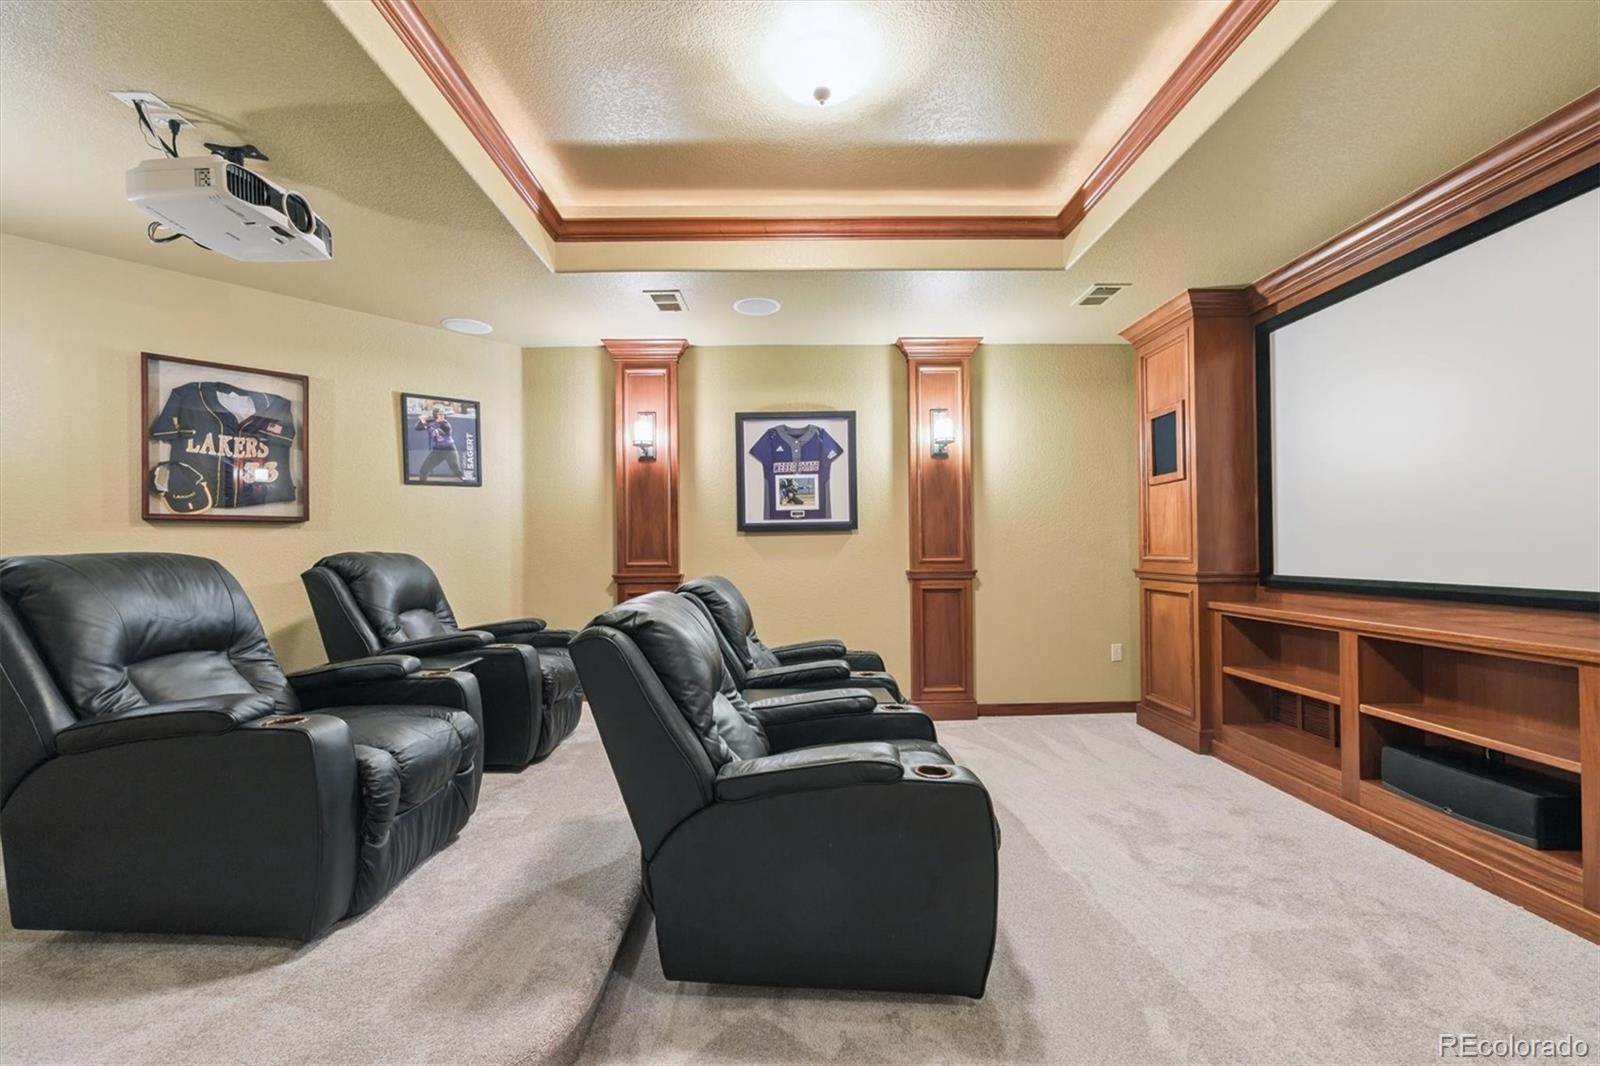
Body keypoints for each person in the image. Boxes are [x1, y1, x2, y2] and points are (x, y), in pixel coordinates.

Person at [415, 404, 467, 481]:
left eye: (443, 414)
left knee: (457, 470)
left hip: (449, 450)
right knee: (423, 470)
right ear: (435, 415)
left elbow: (437, 432)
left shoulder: (446, 425)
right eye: (440, 414)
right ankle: (422, 486)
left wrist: (424, 422)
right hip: (438, 450)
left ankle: (468, 482)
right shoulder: (432, 422)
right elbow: (417, 428)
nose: (442, 416)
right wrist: (422, 420)